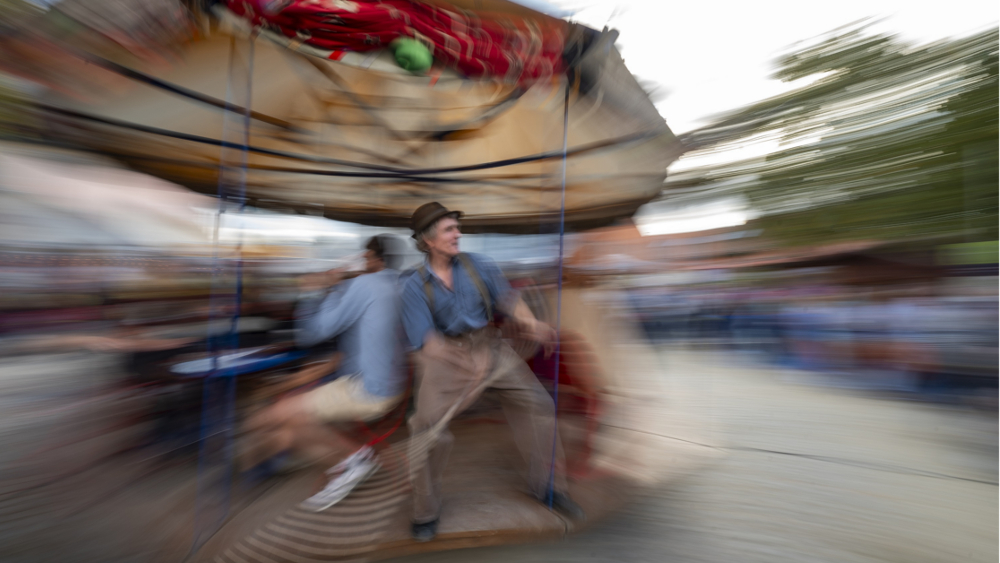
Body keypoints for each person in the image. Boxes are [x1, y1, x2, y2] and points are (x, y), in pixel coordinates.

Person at [401, 202, 584, 542]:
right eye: (449, 229)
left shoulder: (479, 264)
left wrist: (531, 323)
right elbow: (427, 343)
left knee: (539, 405)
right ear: (427, 240)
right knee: (426, 430)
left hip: (490, 346)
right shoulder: (413, 285)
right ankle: (425, 512)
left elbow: (509, 300)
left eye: (456, 227)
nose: (458, 234)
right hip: (445, 355)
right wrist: (469, 374)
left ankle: (548, 487)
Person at [241, 235, 407, 511]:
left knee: (279, 414)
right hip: (390, 386)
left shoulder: (365, 284)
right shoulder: (399, 283)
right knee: (291, 426)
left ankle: (355, 459)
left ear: (372, 259)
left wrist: (314, 290)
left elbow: (312, 333)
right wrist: (340, 290)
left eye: (364, 257)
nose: (361, 262)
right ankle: (344, 461)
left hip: (367, 388)